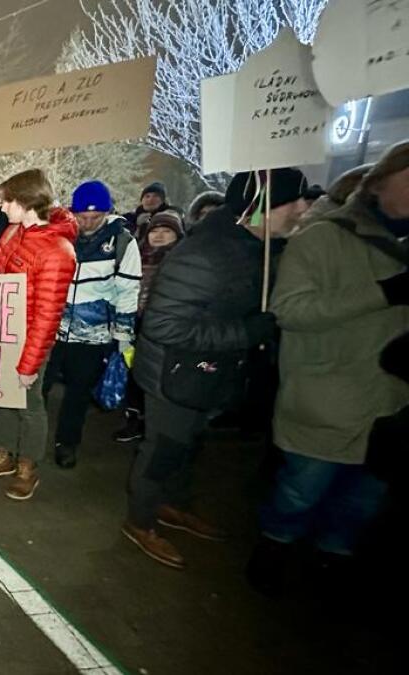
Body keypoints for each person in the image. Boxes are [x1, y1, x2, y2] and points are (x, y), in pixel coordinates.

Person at [123, 168, 307, 570]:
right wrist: (242, 332)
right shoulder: (205, 253)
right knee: (162, 451)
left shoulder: (258, 248)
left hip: (206, 375)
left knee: (188, 447)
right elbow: (164, 324)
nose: (303, 209)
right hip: (174, 375)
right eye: (294, 200)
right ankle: (140, 521)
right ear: (261, 208)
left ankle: (173, 505)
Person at [248, 142, 409, 595]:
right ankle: (275, 545)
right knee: (302, 489)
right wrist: (384, 292)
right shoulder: (323, 237)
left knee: (363, 498)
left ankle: (332, 560)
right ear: (378, 183)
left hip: (390, 404)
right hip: (328, 395)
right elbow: (291, 311)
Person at [0, 170, 77, 498]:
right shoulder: (14, 233)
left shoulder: (58, 251)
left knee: (29, 404)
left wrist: (29, 364)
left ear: (27, 202)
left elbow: (47, 316)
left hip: (31, 342)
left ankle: (27, 464)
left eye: (8, 202)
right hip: (4, 335)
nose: (2, 208)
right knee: (1, 397)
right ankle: (4, 454)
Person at [43, 181, 140, 469]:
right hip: (53, 330)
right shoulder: (62, 237)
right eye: (82, 217)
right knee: (40, 388)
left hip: (94, 335)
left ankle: (67, 443)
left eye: (94, 218)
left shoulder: (122, 242)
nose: (87, 223)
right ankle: (28, 440)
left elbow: (128, 291)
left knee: (77, 392)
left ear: (107, 212)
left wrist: (123, 336)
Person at [115, 210, 185, 443]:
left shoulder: (181, 260)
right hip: (135, 320)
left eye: (167, 231)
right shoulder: (137, 254)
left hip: (163, 325)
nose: (160, 236)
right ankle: (133, 418)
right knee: (134, 371)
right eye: (155, 230)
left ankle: (152, 424)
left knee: (155, 374)